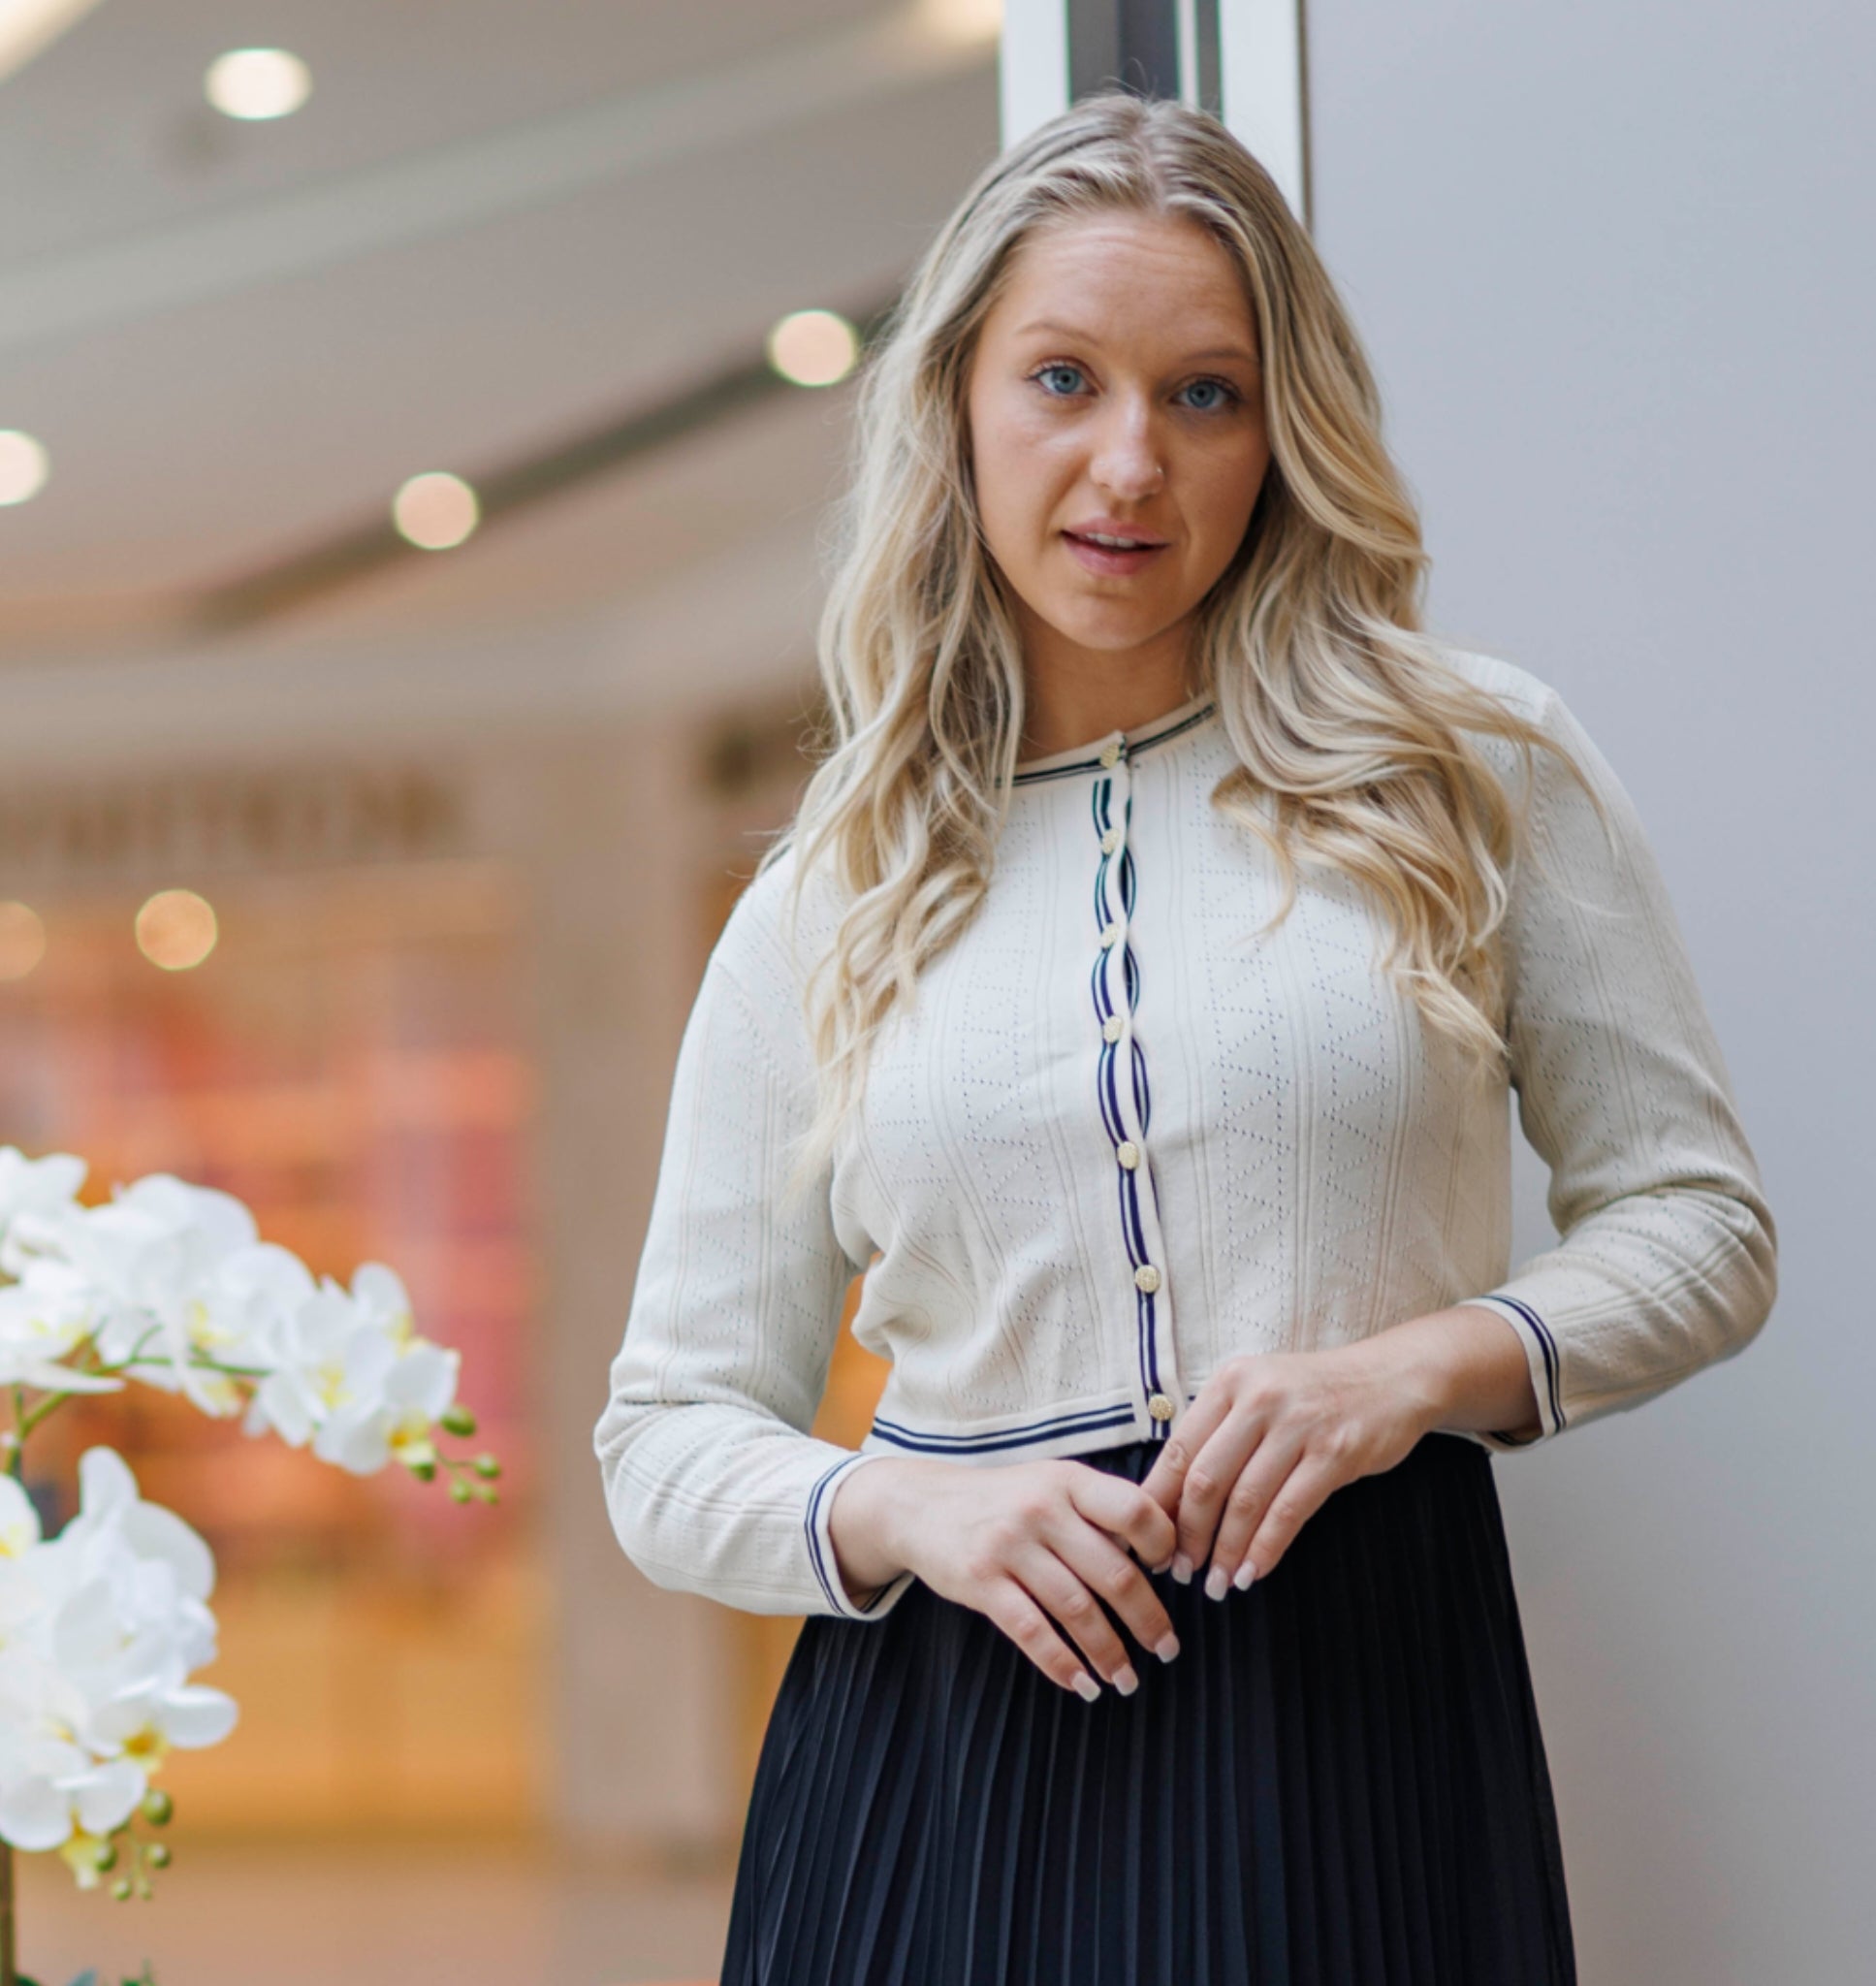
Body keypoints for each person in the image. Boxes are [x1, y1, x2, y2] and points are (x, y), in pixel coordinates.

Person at [593, 89, 1777, 1986]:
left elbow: (1702, 1226)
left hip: (1358, 1707)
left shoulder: (1468, 770)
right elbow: (661, 1436)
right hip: (942, 1753)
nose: (1128, 462)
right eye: (1062, 379)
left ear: (1278, 431)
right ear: (960, 408)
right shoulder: (830, 888)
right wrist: (902, 1500)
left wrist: (1408, 1369)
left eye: (1203, 393)